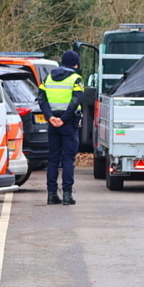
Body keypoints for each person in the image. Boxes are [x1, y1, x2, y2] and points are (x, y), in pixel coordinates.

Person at [38, 50, 85, 206]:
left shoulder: (48, 78)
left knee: (53, 159)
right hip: (68, 123)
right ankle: (67, 195)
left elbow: (42, 99)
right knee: (68, 160)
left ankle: (51, 195)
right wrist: (63, 119)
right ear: (76, 64)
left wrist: (50, 117)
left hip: (52, 123)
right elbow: (75, 101)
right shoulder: (76, 79)